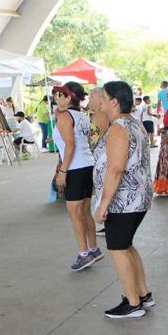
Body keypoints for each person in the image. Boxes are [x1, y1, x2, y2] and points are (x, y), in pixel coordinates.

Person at [92, 81, 153, 319]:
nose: (100, 101)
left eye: (104, 98)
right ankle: (143, 294)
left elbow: (116, 169)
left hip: (124, 201)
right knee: (126, 245)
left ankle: (133, 302)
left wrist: (103, 204)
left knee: (117, 247)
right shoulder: (133, 122)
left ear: (114, 102)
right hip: (137, 198)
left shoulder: (119, 127)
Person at [51, 83, 103, 270]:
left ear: (68, 97)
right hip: (87, 164)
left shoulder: (66, 116)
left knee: (75, 213)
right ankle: (94, 249)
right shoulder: (81, 115)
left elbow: (70, 145)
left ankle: (84, 253)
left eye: (60, 95)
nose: (57, 98)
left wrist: (62, 171)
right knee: (85, 211)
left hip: (74, 167)